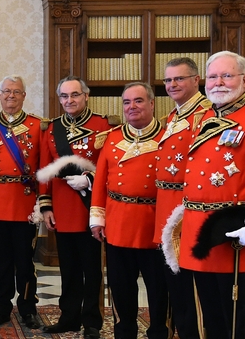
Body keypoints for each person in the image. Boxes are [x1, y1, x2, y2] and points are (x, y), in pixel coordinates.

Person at [176, 51, 245, 339]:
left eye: (227, 75)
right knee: (209, 312)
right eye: (213, 76)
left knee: (236, 315)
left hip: (234, 231)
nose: (218, 82)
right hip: (200, 230)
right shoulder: (204, 118)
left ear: (244, 79)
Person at [89, 82, 168, 339]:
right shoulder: (112, 138)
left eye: (138, 101)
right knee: (121, 287)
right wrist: (97, 219)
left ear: (152, 103)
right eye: (127, 102)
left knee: (158, 287)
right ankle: (125, 332)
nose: (131, 107)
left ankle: (158, 331)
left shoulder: (166, 136)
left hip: (154, 224)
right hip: (119, 223)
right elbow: (100, 182)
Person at [36, 76, 113, 339]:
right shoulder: (52, 128)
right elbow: (45, 171)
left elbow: (107, 166)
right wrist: (45, 208)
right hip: (62, 208)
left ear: (86, 96)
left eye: (75, 95)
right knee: (67, 269)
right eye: (64, 96)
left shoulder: (102, 125)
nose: (70, 101)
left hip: (90, 206)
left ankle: (92, 321)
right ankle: (68, 317)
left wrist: (89, 179)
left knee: (92, 269)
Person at [0, 75, 41, 329]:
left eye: (16, 92)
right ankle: (1, 307)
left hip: (24, 203)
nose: (11, 96)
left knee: (25, 262)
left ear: (24, 95)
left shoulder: (37, 126)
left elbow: (42, 166)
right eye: (6, 91)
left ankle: (27, 308)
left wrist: (41, 201)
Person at [154, 57, 207, 339]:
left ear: (196, 80)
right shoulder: (174, 117)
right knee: (176, 287)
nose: (172, 85)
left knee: (192, 290)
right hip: (167, 211)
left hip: (189, 212)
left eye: (179, 79)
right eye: (168, 80)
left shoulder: (206, 115)